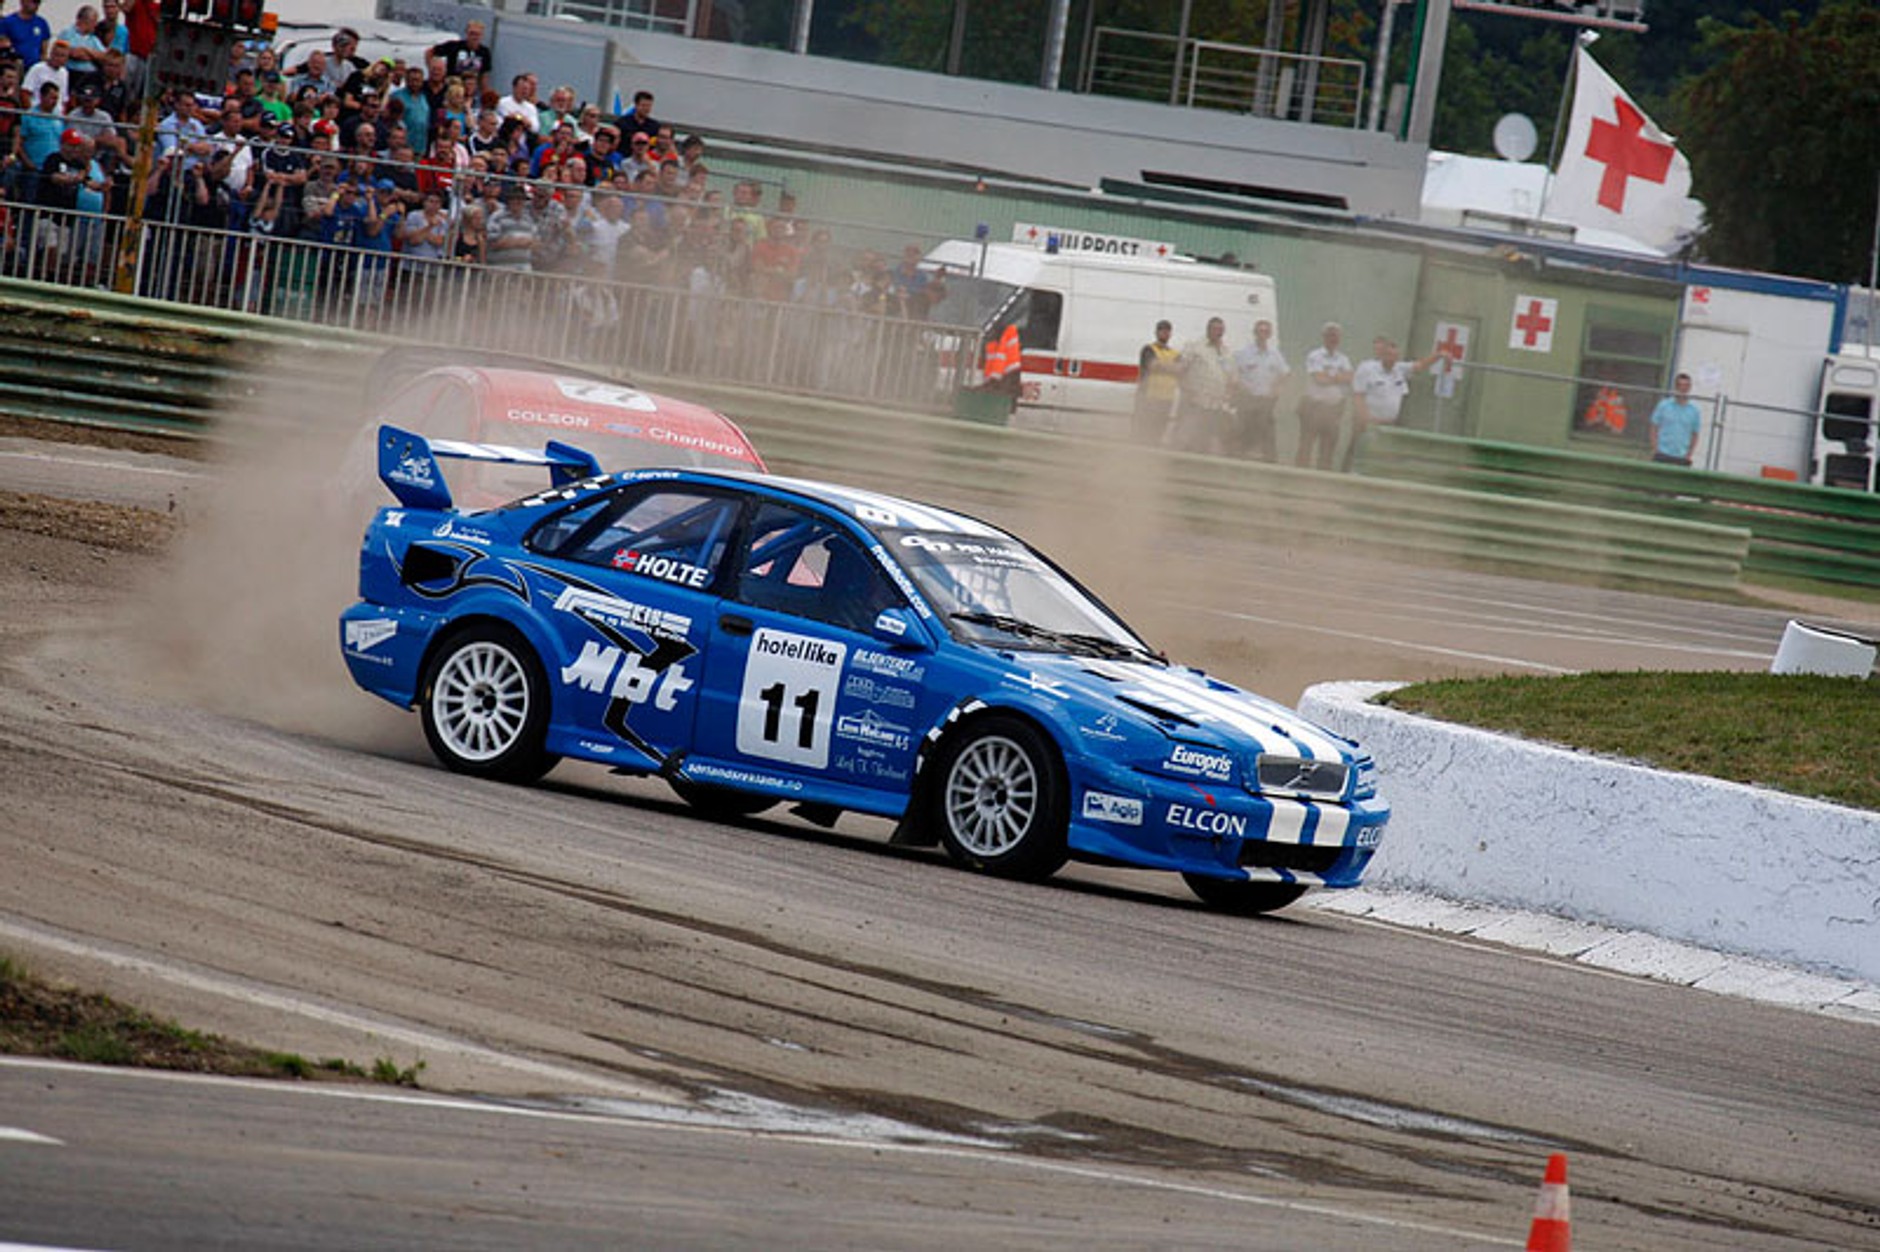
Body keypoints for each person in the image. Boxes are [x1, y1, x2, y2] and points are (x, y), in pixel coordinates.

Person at [1346, 335, 1438, 471]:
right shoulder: (1367, 368)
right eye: (1388, 354)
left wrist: (1439, 356)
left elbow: (1419, 366)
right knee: (1357, 455)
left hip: (1389, 424)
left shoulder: (1399, 369)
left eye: (1394, 354)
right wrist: (1364, 419)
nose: (1391, 357)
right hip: (1367, 423)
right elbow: (1358, 396)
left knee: (1381, 459)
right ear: (1382, 355)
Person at [1170, 316, 1234, 454]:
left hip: (1215, 406)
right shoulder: (1195, 347)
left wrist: (1228, 394)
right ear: (1208, 330)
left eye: (1221, 330)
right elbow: (1179, 368)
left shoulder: (1226, 352)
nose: (1218, 332)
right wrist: (1185, 389)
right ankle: (1174, 464)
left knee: (1205, 440)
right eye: (1215, 329)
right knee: (1184, 436)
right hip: (1194, 403)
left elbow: (1231, 377)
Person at [1229, 318, 1288, 461]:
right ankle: (1238, 464)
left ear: (1270, 334)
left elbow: (1285, 373)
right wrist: (1240, 387)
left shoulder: (1275, 354)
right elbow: (1232, 373)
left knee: (1267, 438)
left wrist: (1277, 388)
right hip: (1247, 402)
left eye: (1266, 331)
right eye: (1260, 331)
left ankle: (1269, 467)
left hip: (1266, 403)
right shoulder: (1243, 353)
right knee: (1243, 436)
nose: (1263, 334)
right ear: (1255, 333)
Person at [1296, 320, 1352, 470]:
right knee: (1306, 444)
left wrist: (1330, 377)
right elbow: (1319, 379)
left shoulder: (1343, 359)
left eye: (1336, 336)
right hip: (1313, 407)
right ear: (1324, 337)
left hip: (1334, 409)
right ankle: (1300, 478)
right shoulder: (1315, 355)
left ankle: (1321, 479)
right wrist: (1338, 377)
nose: (1333, 339)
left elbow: (1349, 378)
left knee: (1328, 447)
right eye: (1330, 335)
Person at [1132, 319, 1180, 444]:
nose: (1165, 333)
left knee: (1158, 432)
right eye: (1162, 330)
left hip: (1166, 399)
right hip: (1148, 397)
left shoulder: (1175, 353)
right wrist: (1171, 368)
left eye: (1167, 331)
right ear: (1156, 333)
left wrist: (1162, 366)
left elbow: (1181, 370)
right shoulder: (1148, 349)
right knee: (1142, 432)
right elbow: (1152, 366)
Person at [1649, 372, 1702, 467]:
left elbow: (1695, 434)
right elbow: (1654, 427)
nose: (1683, 388)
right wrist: (1655, 449)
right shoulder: (1664, 405)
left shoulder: (1694, 411)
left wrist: (1689, 455)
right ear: (1675, 387)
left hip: (1681, 456)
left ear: (1689, 387)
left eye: (1686, 385)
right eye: (1680, 385)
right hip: (1662, 454)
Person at [427, 19, 490, 100]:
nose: (474, 37)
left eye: (477, 34)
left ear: (482, 35)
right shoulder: (455, 46)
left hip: (469, 93)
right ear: (467, 33)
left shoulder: (484, 52)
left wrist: (485, 95)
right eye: (472, 33)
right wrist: (434, 71)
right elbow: (429, 52)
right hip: (450, 89)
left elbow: (484, 78)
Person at [0, 0, 52, 71]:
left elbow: (43, 51)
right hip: (15, 67)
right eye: (33, 1)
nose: (36, 5)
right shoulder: (8, 22)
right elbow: (4, 45)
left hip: (34, 68)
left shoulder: (42, 23)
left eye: (38, 2)